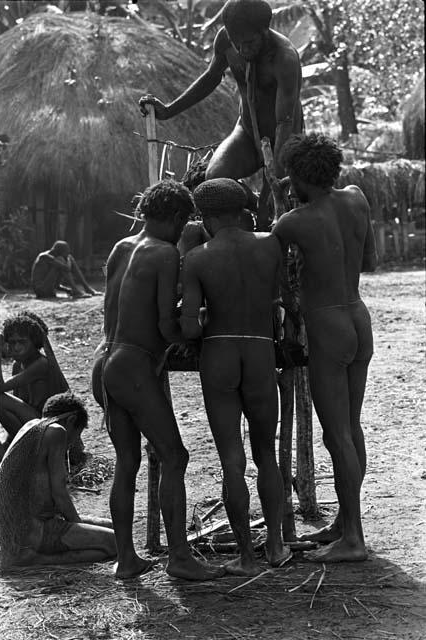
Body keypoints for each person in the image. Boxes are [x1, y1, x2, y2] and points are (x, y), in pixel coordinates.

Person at [91, 179, 224, 581]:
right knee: (175, 455)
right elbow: (168, 326)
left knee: (127, 460)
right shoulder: (165, 253)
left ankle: (126, 559)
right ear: (178, 218)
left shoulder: (121, 247)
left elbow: (116, 309)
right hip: (132, 365)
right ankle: (179, 558)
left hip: (103, 361)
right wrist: (198, 327)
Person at [272, 133, 378, 562]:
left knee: (337, 435)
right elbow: (369, 262)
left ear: (297, 176)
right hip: (357, 317)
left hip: (327, 328)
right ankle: (346, 525)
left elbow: (277, 284)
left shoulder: (292, 223)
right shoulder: (356, 198)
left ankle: (353, 539)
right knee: (351, 429)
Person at [181, 177, 290, 576]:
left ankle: (245, 556)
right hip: (260, 350)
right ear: (242, 210)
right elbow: (280, 301)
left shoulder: (197, 258)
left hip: (220, 354)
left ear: (206, 218)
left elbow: (190, 328)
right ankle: (276, 546)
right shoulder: (270, 244)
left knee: (232, 459)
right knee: (266, 454)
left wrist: (200, 317)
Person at [139, 0, 303, 230]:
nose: (243, 50)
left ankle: (268, 213)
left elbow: (284, 123)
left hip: (284, 138)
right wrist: (168, 111)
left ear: (264, 30)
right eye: (238, 44)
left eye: (249, 43)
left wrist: (272, 186)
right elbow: (211, 77)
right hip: (246, 131)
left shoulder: (285, 58)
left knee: (280, 203)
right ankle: (256, 210)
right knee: (214, 182)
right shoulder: (225, 39)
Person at [0, 392, 116, 572]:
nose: (75, 442)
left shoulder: (32, 425)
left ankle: (29, 556)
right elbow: (59, 493)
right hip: (33, 531)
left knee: (114, 527)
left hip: (18, 530)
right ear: (71, 420)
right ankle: (36, 559)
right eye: (78, 434)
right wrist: (78, 525)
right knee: (116, 542)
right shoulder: (56, 432)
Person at [0, 312, 72, 465]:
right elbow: (15, 409)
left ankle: (24, 452)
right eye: (12, 343)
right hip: (35, 427)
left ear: (34, 342)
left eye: (22, 342)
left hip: (52, 429)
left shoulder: (41, 364)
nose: (16, 347)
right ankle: (15, 453)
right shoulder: (17, 366)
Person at [31, 240, 102, 299]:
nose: (66, 255)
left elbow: (56, 285)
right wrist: (67, 262)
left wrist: (67, 290)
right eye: (65, 252)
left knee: (69, 258)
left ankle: (87, 288)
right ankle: (76, 291)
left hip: (49, 289)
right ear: (57, 251)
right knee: (61, 261)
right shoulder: (44, 256)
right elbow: (66, 268)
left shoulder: (56, 257)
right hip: (41, 290)